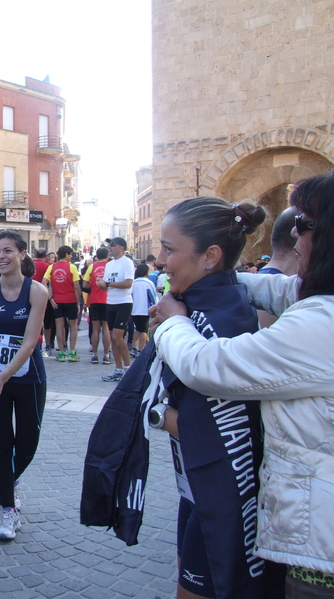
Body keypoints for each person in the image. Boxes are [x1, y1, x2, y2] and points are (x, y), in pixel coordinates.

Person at [151, 175, 334, 599]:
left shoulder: (321, 326)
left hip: (319, 552)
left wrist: (173, 321)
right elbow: (283, 290)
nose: (294, 237)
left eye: (304, 225)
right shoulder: (316, 304)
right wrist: (207, 277)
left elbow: (206, 366)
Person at [139, 197, 268, 599]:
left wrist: (154, 413)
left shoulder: (213, 321)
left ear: (210, 256)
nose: (159, 260)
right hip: (196, 486)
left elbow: (218, 425)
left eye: (169, 249)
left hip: (221, 496)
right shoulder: (203, 302)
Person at [0, 230, 48, 541]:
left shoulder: (37, 292)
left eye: (7, 251)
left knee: (28, 444)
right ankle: (8, 510)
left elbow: (30, 344)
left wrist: (3, 377)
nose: (0, 257)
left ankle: (9, 480)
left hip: (27, 377)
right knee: (2, 446)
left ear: (22, 254)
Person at [97, 237, 135, 381]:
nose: (110, 247)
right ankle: (118, 369)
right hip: (110, 302)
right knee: (113, 338)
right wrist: (101, 283)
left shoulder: (127, 262)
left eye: (112, 245)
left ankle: (128, 368)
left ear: (121, 248)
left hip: (123, 302)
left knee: (117, 337)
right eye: (109, 245)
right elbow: (106, 286)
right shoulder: (109, 264)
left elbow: (128, 283)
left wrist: (108, 284)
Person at [43, 245, 82, 362]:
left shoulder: (52, 267)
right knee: (73, 326)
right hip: (71, 300)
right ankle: (72, 352)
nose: (71, 257)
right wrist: (78, 303)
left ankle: (60, 353)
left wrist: (50, 298)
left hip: (57, 301)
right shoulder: (72, 267)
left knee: (60, 327)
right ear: (66, 254)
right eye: (70, 254)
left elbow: (44, 282)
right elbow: (76, 287)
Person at [82, 247, 112, 365]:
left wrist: (93, 285)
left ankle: (94, 355)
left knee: (95, 329)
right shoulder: (110, 266)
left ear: (97, 256)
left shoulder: (92, 266)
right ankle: (106, 355)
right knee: (106, 329)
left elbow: (85, 284)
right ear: (107, 255)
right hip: (108, 300)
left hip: (94, 300)